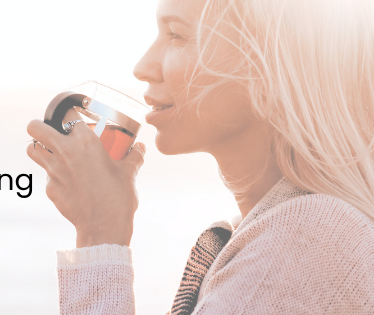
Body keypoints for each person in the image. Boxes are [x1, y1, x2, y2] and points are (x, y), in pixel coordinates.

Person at [26, 0, 374, 313]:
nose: (143, 66)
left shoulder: (305, 244)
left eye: (176, 35)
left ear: (271, 66)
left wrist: (100, 233)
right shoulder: (271, 236)